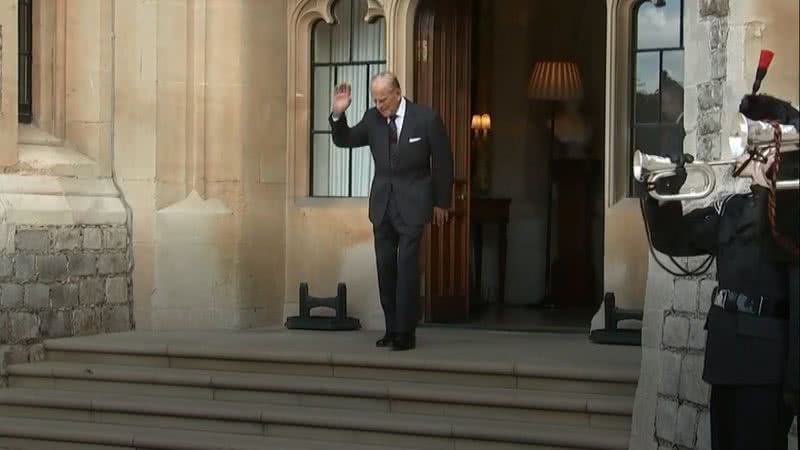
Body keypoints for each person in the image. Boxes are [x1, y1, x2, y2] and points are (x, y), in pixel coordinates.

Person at [642, 93, 799, 449]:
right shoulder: (732, 206)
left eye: (753, 142)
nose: (742, 151)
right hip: (727, 355)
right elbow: (675, 240)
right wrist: (661, 193)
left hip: (766, 365)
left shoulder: (790, 213)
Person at [329, 72, 454, 351]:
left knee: (407, 268)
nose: (379, 105)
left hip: (413, 203)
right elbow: (345, 140)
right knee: (386, 268)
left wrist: (442, 203)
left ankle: (405, 332)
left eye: (383, 99)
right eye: (375, 99)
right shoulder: (373, 118)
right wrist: (338, 115)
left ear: (397, 93)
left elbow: (443, 162)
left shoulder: (426, 118)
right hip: (383, 205)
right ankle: (391, 328)